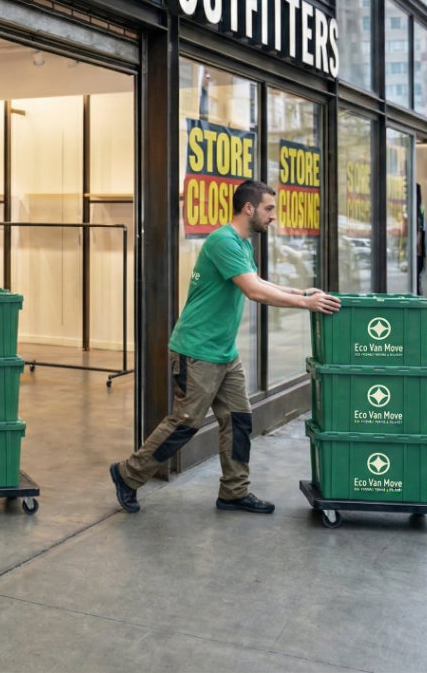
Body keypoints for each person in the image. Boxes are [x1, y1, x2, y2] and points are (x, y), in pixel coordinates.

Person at [109, 180, 340, 514]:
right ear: (249, 208)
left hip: (224, 352)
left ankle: (233, 491)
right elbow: (254, 292)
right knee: (185, 423)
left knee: (240, 420)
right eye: (268, 209)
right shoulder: (222, 241)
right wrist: (307, 305)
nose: (273, 216)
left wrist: (301, 293)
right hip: (197, 351)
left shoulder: (242, 244)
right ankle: (127, 474)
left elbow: (260, 282)